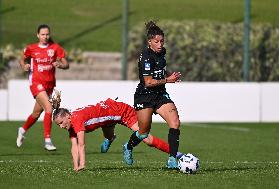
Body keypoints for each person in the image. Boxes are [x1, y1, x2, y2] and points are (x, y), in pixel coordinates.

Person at [52, 96, 181, 172]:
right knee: (108, 135)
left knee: (146, 138)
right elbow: (73, 146)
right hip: (107, 120)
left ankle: (177, 154)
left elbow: (81, 145)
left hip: (122, 112)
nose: (61, 126)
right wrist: (76, 167)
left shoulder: (76, 120)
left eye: (61, 122)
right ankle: (110, 138)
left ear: (68, 116)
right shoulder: (70, 124)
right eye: (58, 125)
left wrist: (82, 164)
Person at [123, 21, 182, 169]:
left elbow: (161, 71)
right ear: (149, 42)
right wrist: (168, 80)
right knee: (143, 133)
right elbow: (148, 82)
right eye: (156, 42)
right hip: (145, 96)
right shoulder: (146, 57)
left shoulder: (162, 53)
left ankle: (172, 159)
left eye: (162, 41)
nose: (160, 44)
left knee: (175, 123)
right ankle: (128, 147)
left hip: (160, 94)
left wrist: (169, 75)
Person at [16, 24, 69, 151]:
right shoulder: (31, 48)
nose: (45, 36)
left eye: (47, 34)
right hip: (35, 82)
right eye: (42, 34)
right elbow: (22, 60)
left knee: (36, 113)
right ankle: (47, 140)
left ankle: (22, 130)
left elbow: (66, 63)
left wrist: (60, 65)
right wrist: (24, 66)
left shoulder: (55, 47)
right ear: (38, 35)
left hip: (49, 85)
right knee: (49, 109)